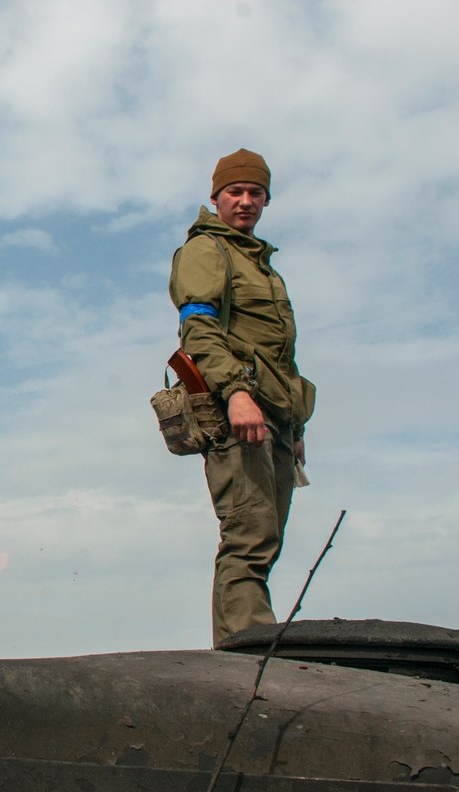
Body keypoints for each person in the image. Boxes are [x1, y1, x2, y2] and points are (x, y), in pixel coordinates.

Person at [168, 148, 316, 648]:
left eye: (256, 193)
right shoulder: (208, 249)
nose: (246, 201)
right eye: (236, 192)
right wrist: (235, 395)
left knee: (263, 543)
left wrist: (295, 431)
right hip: (240, 416)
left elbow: (280, 356)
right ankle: (250, 658)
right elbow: (198, 328)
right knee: (248, 539)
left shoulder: (264, 268)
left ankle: (238, 653)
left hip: (273, 420)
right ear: (216, 197)